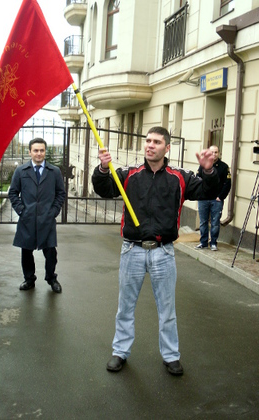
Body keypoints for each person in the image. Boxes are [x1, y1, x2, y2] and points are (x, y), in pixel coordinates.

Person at [92, 126, 219, 376]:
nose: (150, 145)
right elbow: (104, 189)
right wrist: (103, 169)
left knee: (167, 309)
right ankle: (120, 352)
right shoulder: (129, 174)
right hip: (132, 250)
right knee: (125, 307)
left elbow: (208, 191)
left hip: (163, 252)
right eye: (148, 141)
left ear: (166, 148)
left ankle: (171, 356)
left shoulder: (179, 177)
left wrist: (208, 171)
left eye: (157, 142)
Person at [8, 138, 66, 293]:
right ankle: (29, 279)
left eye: (41, 150)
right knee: (26, 252)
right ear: (30, 152)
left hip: (47, 220)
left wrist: (53, 211)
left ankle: (51, 278)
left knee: (51, 253)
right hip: (27, 219)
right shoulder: (21, 171)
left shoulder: (54, 172)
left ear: (45, 152)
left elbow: (61, 193)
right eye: (35, 150)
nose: (39, 153)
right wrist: (21, 210)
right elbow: (13, 193)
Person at [195, 145, 231, 251]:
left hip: (216, 200)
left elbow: (227, 183)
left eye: (216, 152)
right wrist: (200, 194)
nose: (214, 154)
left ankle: (214, 242)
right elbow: (197, 180)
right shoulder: (203, 165)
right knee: (203, 222)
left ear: (219, 153)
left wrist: (221, 197)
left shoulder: (224, 167)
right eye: (212, 152)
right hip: (203, 199)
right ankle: (203, 242)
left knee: (215, 222)